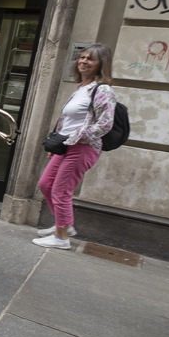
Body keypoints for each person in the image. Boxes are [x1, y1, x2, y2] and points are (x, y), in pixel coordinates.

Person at [33, 43, 118, 250]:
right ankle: (64, 225)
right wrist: (58, 144)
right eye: (82, 57)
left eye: (90, 59)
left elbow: (105, 124)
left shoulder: (102, 90)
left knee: (61, 191)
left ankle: (61, 238)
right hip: (67, 146)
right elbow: (67, 122)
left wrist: (79, 137)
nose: (83, 61)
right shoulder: (80, 89)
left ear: (101, 64)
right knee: (46, 184)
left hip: (83, 148)